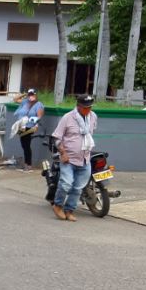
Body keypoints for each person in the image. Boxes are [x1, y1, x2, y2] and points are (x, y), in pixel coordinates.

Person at [51, 94, 98, 222]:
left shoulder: (93, 117)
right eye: (85, 107)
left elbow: (90, 133)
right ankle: (58, 205)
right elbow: (57, 137)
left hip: (85, 159)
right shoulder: (67, 118)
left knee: (78, 188)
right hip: (69, 158)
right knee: (66, 183)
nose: (88, 110)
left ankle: (69, 210)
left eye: (90, 107)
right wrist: (63, 153)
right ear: (78, 106)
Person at [13, 89, 45, 171]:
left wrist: (36, 125)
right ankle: (26, 164)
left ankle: (28, 165)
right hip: (21, 126)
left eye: (32, 94)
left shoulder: (38, 105)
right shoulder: (25, 102)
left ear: (35, 95)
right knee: (24, 145)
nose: (31, 96)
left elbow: (39, 116)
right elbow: (15, 99)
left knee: (26, 145)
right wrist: (24, 94)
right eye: (29, 95)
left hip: (30, 127)